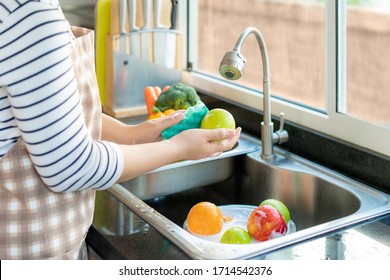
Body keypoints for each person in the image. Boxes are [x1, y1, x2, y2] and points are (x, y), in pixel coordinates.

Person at [0, 0, 241, 259]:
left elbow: (43, 113)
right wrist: (178, 147)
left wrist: (131, 135)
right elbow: (70, 166)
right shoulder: (29, 13)